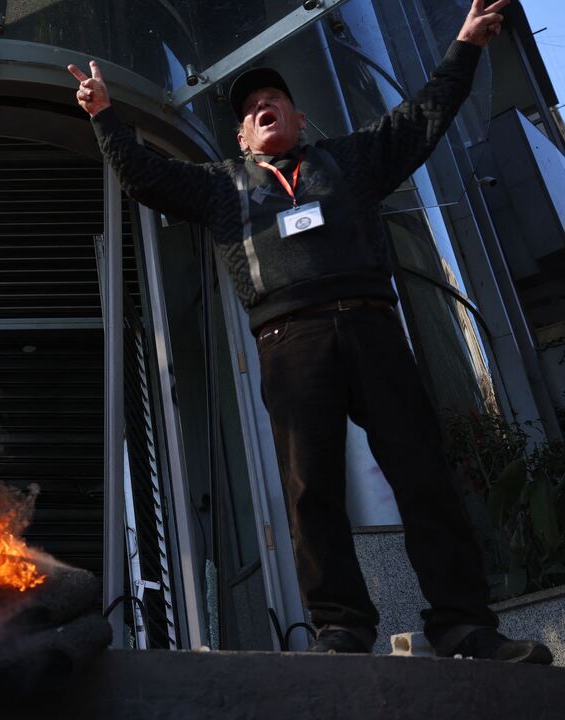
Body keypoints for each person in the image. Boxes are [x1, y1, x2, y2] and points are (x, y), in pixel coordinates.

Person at [69, 0, 553, 663]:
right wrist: (104, 117)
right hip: (289, 344)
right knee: (310, 490)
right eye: (250, 107)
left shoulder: (350, 162)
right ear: (241, 137)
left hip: (373, 329)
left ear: (300, 119)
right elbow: (145, 175)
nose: (262, 106)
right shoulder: (220, 189)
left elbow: (424, 116)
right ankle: (342, 630)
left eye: (276, 99)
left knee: (424, 477)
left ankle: (464, 625)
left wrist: (465, 44)